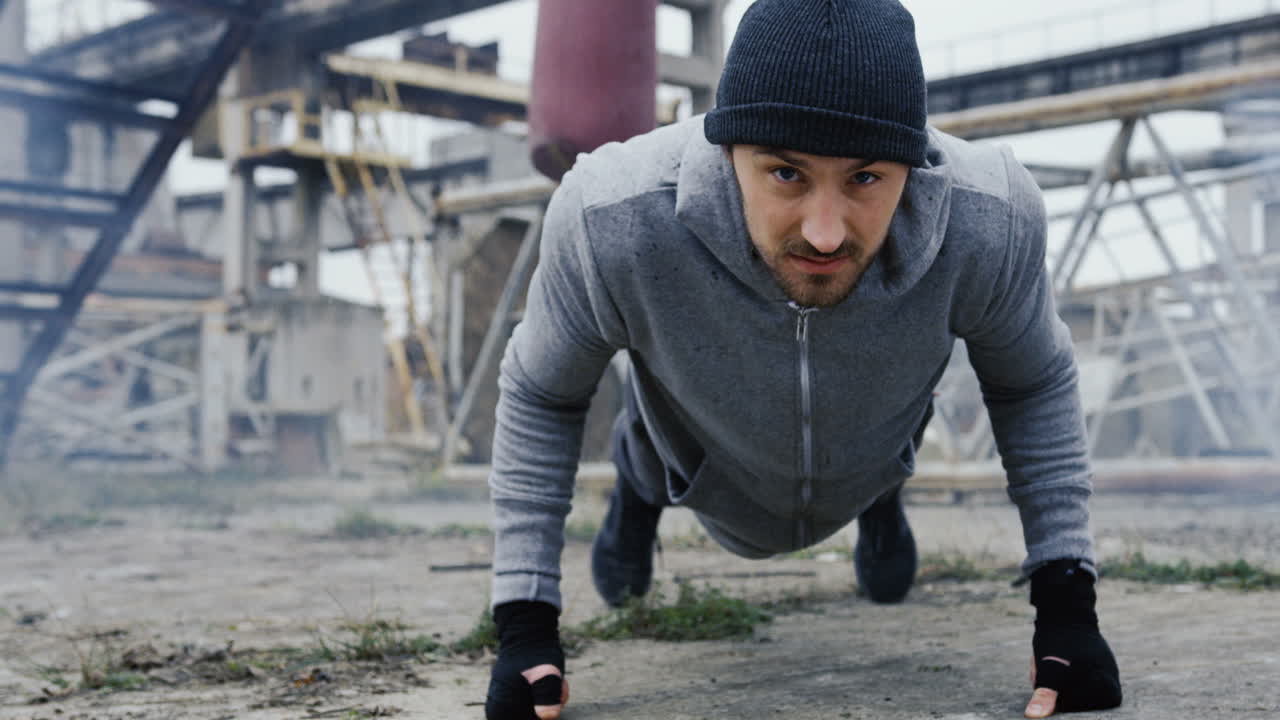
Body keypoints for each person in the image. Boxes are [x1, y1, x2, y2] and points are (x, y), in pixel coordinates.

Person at [483, 1, 1124, 718]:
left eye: (866, 179)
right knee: (649, 434)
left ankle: (882, 494)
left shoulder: (989, 220)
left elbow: (1033, 381)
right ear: (728, 151)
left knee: (883, 412)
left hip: (874, 440)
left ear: (912, 163)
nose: (824, 232)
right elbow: (543, 391)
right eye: (786, 174)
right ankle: (640, 497)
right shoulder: (614, 220)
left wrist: (1069, 610)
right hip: (698, 455)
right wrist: (525, 623)